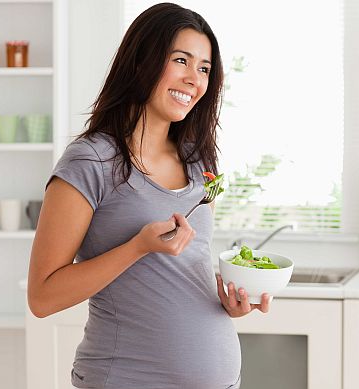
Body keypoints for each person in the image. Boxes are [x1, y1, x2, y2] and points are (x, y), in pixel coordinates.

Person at [27, 3, 270, 388]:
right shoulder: (91, 161)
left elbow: (183, 270)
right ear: (142, 61)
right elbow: (42, 298)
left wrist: (226, 303)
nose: (194, 79)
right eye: (181, 60)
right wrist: (137, 247)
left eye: (204, 68)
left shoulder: (200, 160)